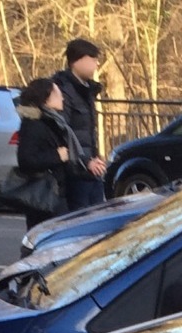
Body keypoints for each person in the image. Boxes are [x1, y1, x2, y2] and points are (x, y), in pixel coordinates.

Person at [12, 78, 83, 228]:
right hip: (44, 197)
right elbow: (26, 160)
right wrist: (57, 156)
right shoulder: (34, 125)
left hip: (55, 193)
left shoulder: (52, 121)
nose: (62, 98)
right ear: (46, 99)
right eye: (57, 94)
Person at [52, 38, 109, 211]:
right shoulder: (63, 90)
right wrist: (85, 161)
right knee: (81, 217)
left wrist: (96, 157)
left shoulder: (86, 90)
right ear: (78, 60)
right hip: (75, 173)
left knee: (98, 215)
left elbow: (87, 132)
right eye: (93, 59)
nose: (97, 64)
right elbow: (63, 131)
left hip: (91, 169)